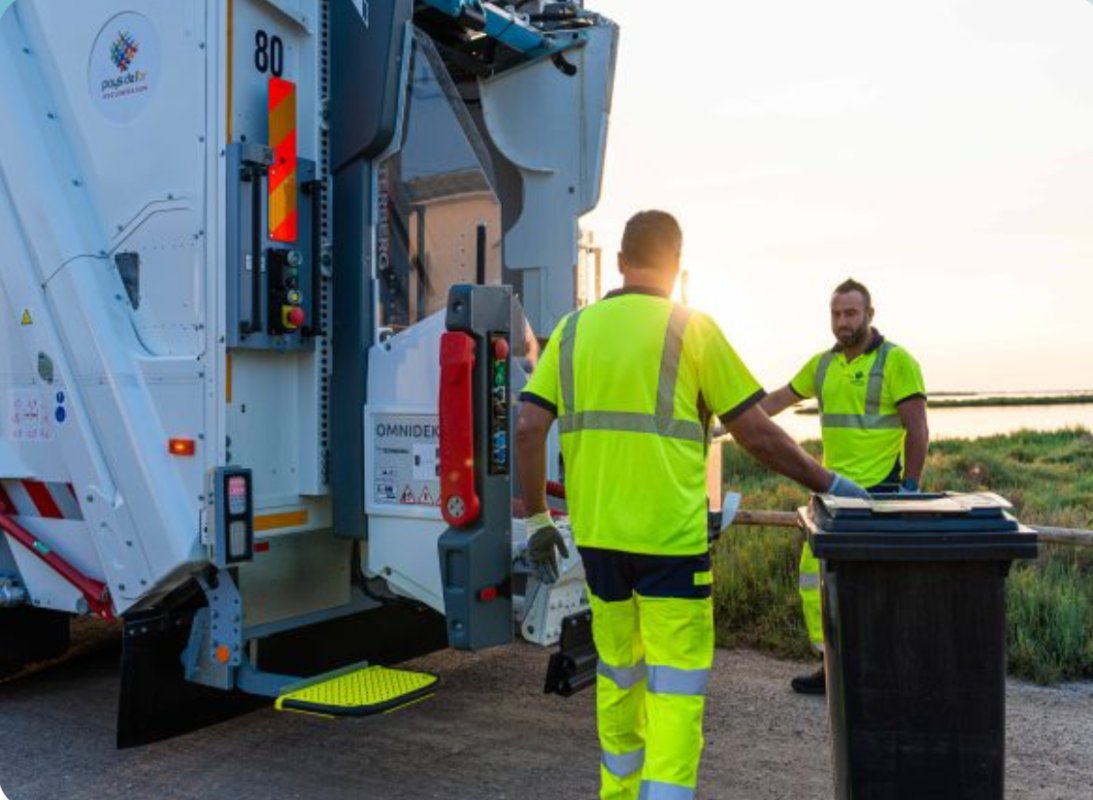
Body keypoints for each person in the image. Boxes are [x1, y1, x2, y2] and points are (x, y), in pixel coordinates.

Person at [515, 211, 870, 800]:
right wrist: (829, 481)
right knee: (675, 690)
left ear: (622, 262)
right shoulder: (692, 328)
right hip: (671, 547)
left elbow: (529, 428)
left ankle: (619, 794)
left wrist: (536, 522)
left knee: (618, 677)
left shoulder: (574, 330)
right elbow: (757, 434)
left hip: (599, 542)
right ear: (676, 266)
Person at [761, 278, 929, 695]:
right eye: (836, 314)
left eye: (851, 313)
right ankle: (830, 667)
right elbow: (773, 403)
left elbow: (918, 429)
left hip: (881, 494)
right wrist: (724, 420)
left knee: (876, 590)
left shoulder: (896, 361)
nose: (842, 322)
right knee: (813, 581)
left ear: (869, 315)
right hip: (831, 493)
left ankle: (883, 672)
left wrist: (910, 488)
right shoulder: (821, 365)